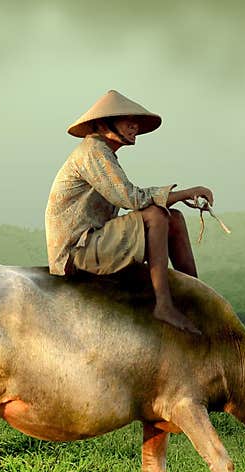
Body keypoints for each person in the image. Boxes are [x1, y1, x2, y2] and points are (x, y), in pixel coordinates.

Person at [45, 89, 213, 335]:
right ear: (104, 123)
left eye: (136, 122)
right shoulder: (93, 152)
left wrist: (175, 200)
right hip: (75, 251)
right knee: (157, 215)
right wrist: (185, 193)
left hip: (95, 241)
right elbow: (130, 198)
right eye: (128, 120)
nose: (134, 127)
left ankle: (197, 297)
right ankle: (164, 305)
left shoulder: (104, 153)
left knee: (173, 218)